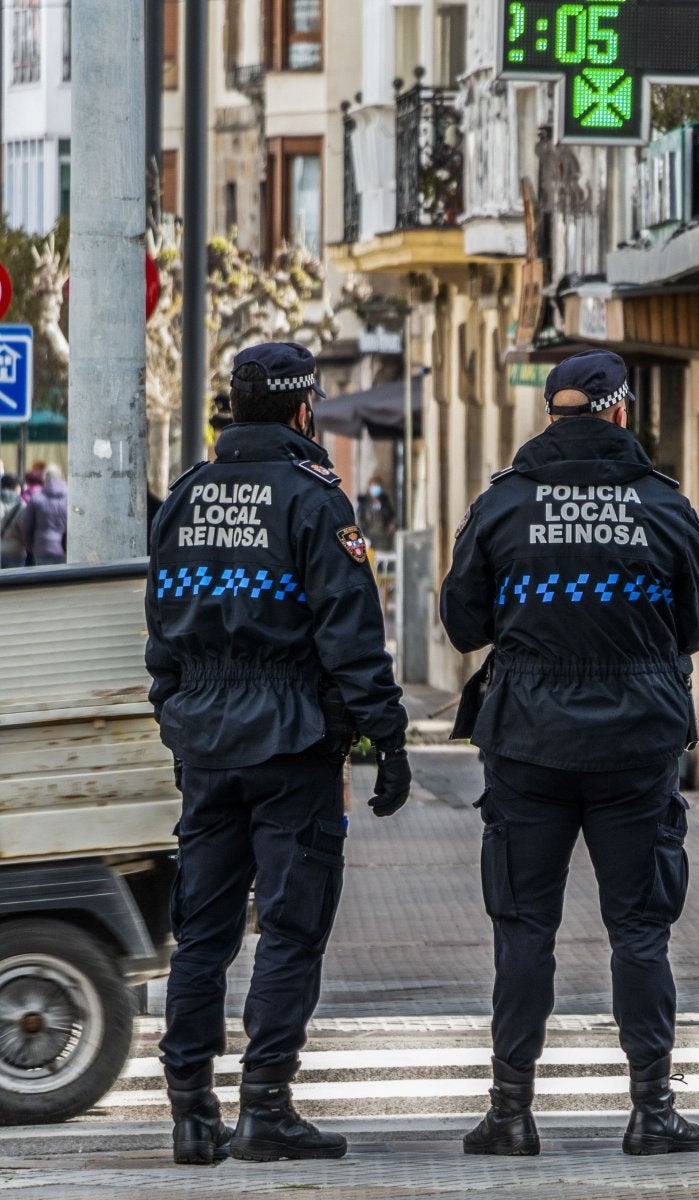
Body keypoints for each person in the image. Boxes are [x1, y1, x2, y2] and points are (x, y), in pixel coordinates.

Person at [439, 350, 699, 1159]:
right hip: (638, 743)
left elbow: (462, 624)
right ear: (620, 413)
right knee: (639, 930)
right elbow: (698, 625)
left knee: (524, 926)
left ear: (551, 412)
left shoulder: (503, 505)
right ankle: (651, 1110)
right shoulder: (664, 506)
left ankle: (510, 1111)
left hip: (527, 741)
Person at [146, 342, 412, 1167]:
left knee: (203, 937)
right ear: (304, 411)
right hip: (292, 743)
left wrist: (178, 714)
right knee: (291, 929)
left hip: (205, 743)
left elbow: (159, 631)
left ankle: (191, 1115)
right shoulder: (311, 499)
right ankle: (265, 1106)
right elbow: (350, 633)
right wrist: (387, 736)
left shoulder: (185, 498)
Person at [16, 464, 68, 564]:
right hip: (65, 548)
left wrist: (30, 545)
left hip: (42, 546)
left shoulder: (37, 498)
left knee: (44, 578)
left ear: (45, 478)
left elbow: (26, 525)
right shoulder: (69, 498)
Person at [356, 477, 397, 552]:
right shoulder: (364, 504)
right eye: (374, 486)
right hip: (368, 539)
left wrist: (392, 525)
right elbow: (359, 521)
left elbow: (391, 517)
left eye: (378, 486)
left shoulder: (385, 503)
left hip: (383, 540)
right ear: (369, 487)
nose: (375, 488)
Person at [0, 474, 25, 567]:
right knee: (16, 580)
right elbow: (25, 529)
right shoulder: (22, 505)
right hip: (16, 551)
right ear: (17, 487)